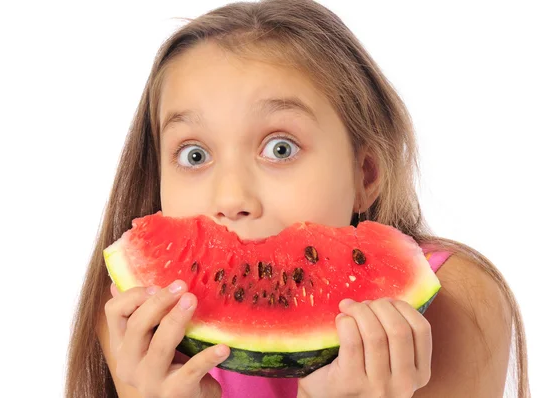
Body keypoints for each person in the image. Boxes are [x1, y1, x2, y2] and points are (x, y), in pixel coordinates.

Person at [65, 1, 529, 397]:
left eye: (279, 149)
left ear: (365, 174)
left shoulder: (458, 304)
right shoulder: (136, 327)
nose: (231, 198)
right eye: (194, 154)